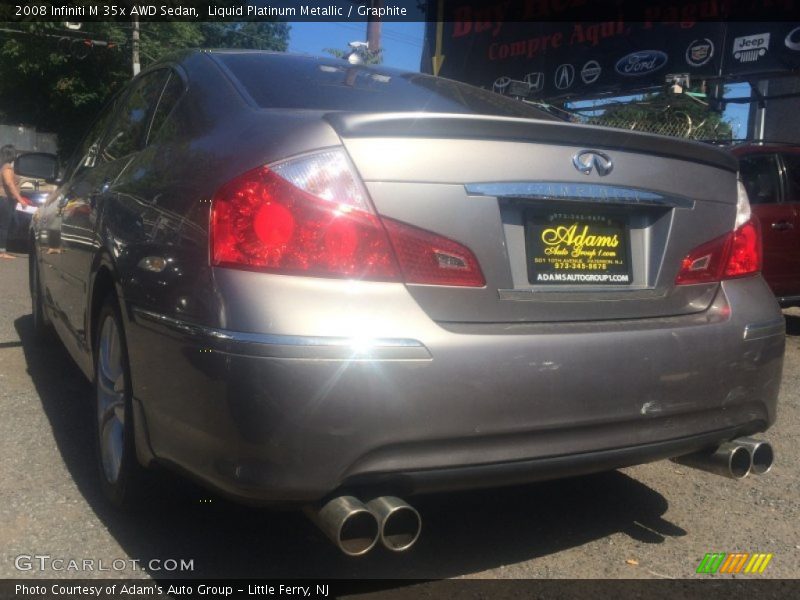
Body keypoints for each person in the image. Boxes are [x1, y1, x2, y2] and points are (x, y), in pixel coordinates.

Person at [0, 144, 29, 259]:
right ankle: (2, 251)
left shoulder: (4, 166)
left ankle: (3, 248)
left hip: (6, 200)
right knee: (4, 226)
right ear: (11, 154)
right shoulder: (7, 168)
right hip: (5, 199)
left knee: (11, 223)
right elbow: (9, 184)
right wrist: (20, 199)